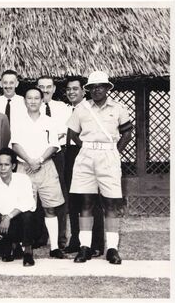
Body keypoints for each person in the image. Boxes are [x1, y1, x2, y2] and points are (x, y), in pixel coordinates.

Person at [67, 71, 133, 264]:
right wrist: (88, 148)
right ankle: (84, 247)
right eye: (92, 87)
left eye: (100, 86)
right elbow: (72, 133)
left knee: (111, 204)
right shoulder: (81, 108)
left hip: (109, 157)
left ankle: (112, 249)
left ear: (107, 88)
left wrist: (114, 152)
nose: (96, 90)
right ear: (88, 90)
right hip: (86, 157)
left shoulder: (119, 108)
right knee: (86, 203)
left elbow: (127, 133)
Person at [12, 87, 65, 259]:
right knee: (23, 208)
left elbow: (54, 145)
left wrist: (39, 161)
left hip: (46, 167)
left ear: (42, 100)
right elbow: (15, 144)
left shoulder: (49, 121)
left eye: (37, 98)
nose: (33, 101)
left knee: (50, 208)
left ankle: (55, 247)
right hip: (24, 168)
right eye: (30, 98)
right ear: (24, 101)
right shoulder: (18, 120)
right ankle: (23, 246)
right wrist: (29, 161)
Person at [64, 76, 104, 256]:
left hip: (86, 154)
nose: (71, 92)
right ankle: (75, 240)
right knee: (73, 200)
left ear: (83, 91)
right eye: (68, 89)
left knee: (90, 200)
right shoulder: (63, 109)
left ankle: (95, 243)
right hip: (69, 155)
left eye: (75, 89)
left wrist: (85, 148)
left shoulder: (90, 109)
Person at [36, 75, 72, 249]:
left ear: (54, 89)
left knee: (59, 194)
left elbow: (63, 132)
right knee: (37, 193)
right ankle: (40, 237)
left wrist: (50, 137)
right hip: (37, 154)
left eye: (48, 86)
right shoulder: (33, 106)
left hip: (58, 154)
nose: (45, 90)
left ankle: (61, 238)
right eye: (41, 87)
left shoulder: (63, 108)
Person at [0, 148, 36, 266]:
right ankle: (13, 245)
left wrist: (8, 217)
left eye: (6, 165)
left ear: (13, 166)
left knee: (27, 215)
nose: (3, 168)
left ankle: (28, 251)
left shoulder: (23, 179)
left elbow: (29, 203)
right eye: (0, 165)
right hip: (5, 226)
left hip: (24, 223)